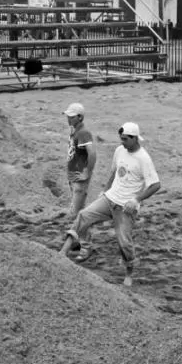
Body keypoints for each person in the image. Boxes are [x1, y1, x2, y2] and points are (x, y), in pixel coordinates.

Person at [60, 121, 161, 287]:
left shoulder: (143, 158)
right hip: (110, 198)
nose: (122, 142)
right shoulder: (120, 150)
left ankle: (129, 273)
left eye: (125, 139)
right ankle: (63, 251)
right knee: (84, 215)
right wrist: (106, 190)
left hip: (125, 207)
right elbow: (114, 172)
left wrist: (136, 200)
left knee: (124, 242)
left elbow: (156, 185)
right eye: (121, 139)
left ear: (135, 139)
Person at [63, 102, 96, 217]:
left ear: (80, 117)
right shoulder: (76, 131)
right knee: (79, 212)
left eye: (72, 117)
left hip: (79, 177)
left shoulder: (83, 133)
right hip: (74, 176)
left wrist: (87, 171)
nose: (69, 119)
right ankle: (84, 234)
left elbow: (92, 153)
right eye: (68, 116)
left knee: (75, 214)